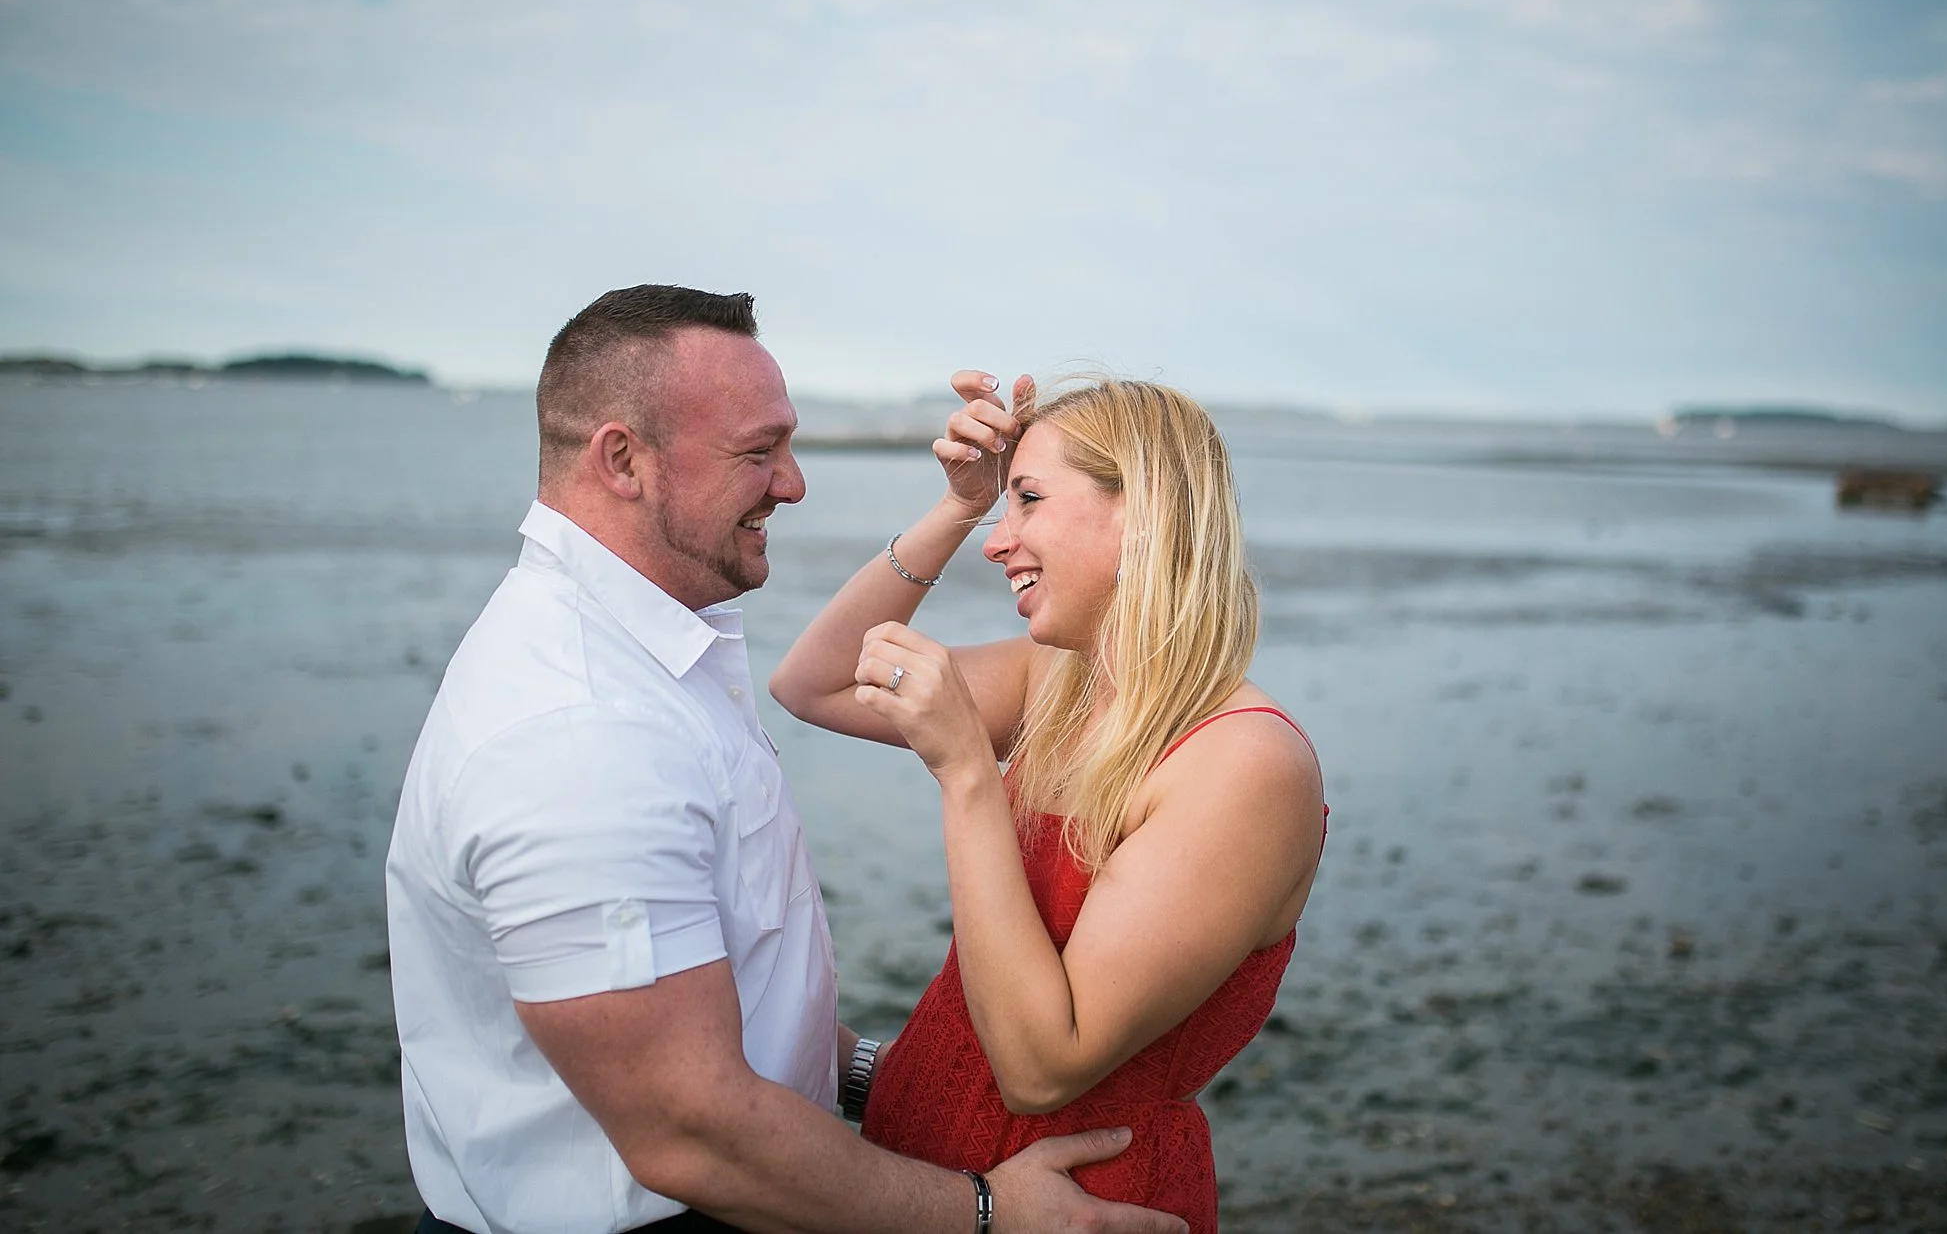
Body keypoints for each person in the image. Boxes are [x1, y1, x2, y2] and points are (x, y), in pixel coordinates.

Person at [384, 287, 1188, 1234]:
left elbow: (726, 983)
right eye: (758, 452)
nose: (796, 484)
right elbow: (689, 1130)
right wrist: (981, 1213)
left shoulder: (655, 642)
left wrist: (860, 1073)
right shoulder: (579, 735)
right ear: (622, 459)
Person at [768, 371, 1326, 1234]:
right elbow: (815, 682)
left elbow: (1041, 1067)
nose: (1001, 541)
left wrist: (966, 774)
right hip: (935, 1187)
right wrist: (959, 506)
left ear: (1143, 509)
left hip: (1079, 1208)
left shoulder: (1242, 763)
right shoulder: (1058, 682)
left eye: (1028, 500)